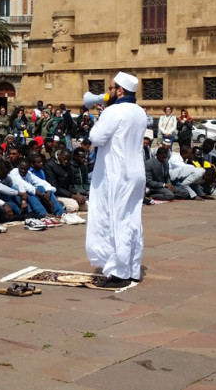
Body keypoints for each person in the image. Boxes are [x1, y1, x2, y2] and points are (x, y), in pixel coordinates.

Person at [86, 72, 150, 290]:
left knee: (116, 219)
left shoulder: (114, 111)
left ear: (120, 90)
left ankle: (118, 271)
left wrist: (100, 118)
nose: (108, 92)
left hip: (117, 173)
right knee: (132, 219)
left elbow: (95, 138)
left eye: (111, 88)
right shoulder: (140, 112)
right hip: (135, 172)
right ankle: (132, 269)